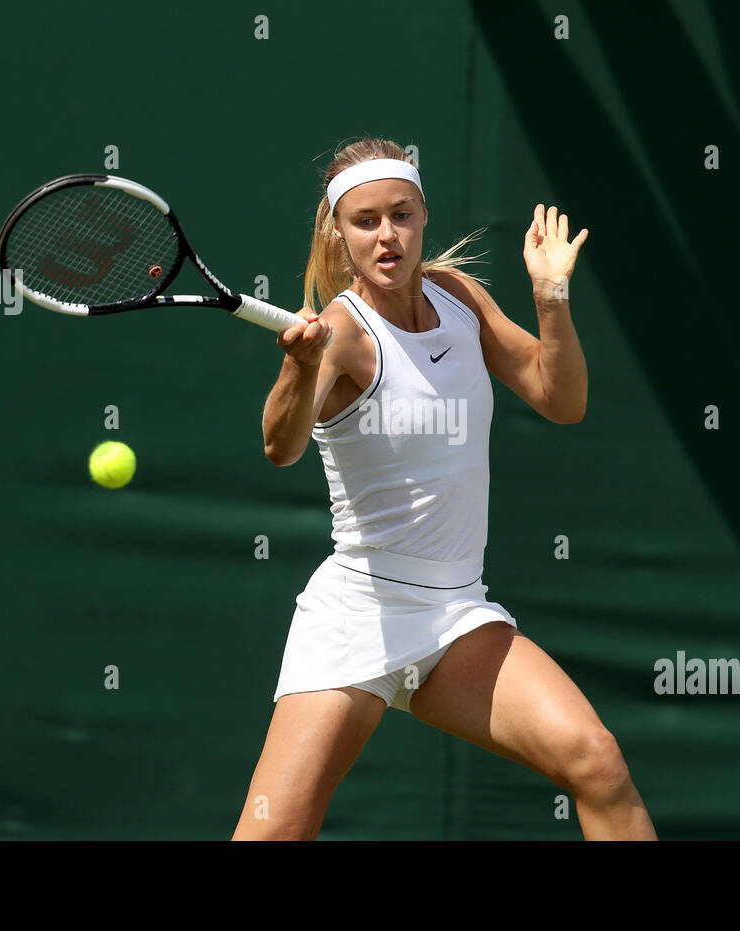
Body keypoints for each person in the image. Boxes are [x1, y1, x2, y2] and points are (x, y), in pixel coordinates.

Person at [232, 137, 657, 841]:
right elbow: (281, 447)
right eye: (365, 220)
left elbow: (561, 398)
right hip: (361, 611)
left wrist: (552, 300)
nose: (387, 234)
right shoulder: (339, 331)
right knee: (277, 830)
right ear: (338, 233)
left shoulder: (458, 296)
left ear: (423, 214)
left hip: (456, 612)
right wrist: (299, 370)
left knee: (599, 763)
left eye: (401, 213)